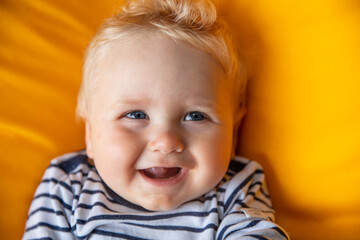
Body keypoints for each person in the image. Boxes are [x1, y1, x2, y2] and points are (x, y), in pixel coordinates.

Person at [23, 0, 290, 239]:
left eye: (195, 116)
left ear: (234, 131)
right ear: (90, 134)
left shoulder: (237, 187)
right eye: (136, 115)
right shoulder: (67, 186)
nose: (165, 142)